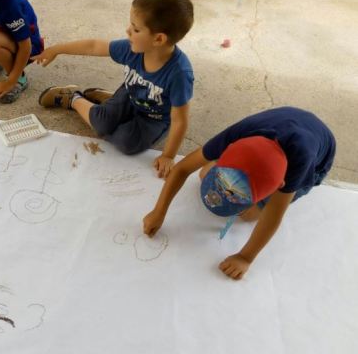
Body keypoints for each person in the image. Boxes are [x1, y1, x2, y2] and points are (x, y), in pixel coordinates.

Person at [143, 106, 336, 280]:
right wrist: (158, 211)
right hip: (284, 122)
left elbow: (274, 215)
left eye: (236, 194)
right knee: (203, 174)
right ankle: (236, 179)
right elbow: (183, 168)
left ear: (279, 185)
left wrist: (245, 257)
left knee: (249, 215)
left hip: (316, 160)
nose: (226, 193)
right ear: (228, 150)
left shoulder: (297, 168)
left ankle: (249, 191)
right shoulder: (235, 136)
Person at [34, 0, 194, 178]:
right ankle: (72, 98)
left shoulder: (179, 74)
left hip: (155, 117)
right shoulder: (132, 48)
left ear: (158, 39)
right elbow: (94, 46)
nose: (128, 31)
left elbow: (180, 120)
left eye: (136, 29)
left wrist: (168, 156)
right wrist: (56, 49)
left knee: (126, 143)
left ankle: (107, 103)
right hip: (130, 93)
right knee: (102, 124)